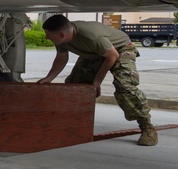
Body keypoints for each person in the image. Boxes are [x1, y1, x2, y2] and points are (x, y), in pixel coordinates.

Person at [37, 15, 157, 146]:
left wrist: (97, 81)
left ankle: (147, 127)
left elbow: (112, 56)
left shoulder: (91, 37)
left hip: (120, 49)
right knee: (75, 87)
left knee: (124, 87)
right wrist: (49, 78)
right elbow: (61, 58)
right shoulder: (62, 39)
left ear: (61, 34)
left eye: (48, 34)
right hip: (95, 53)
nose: (47, 37)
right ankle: (74, 126)